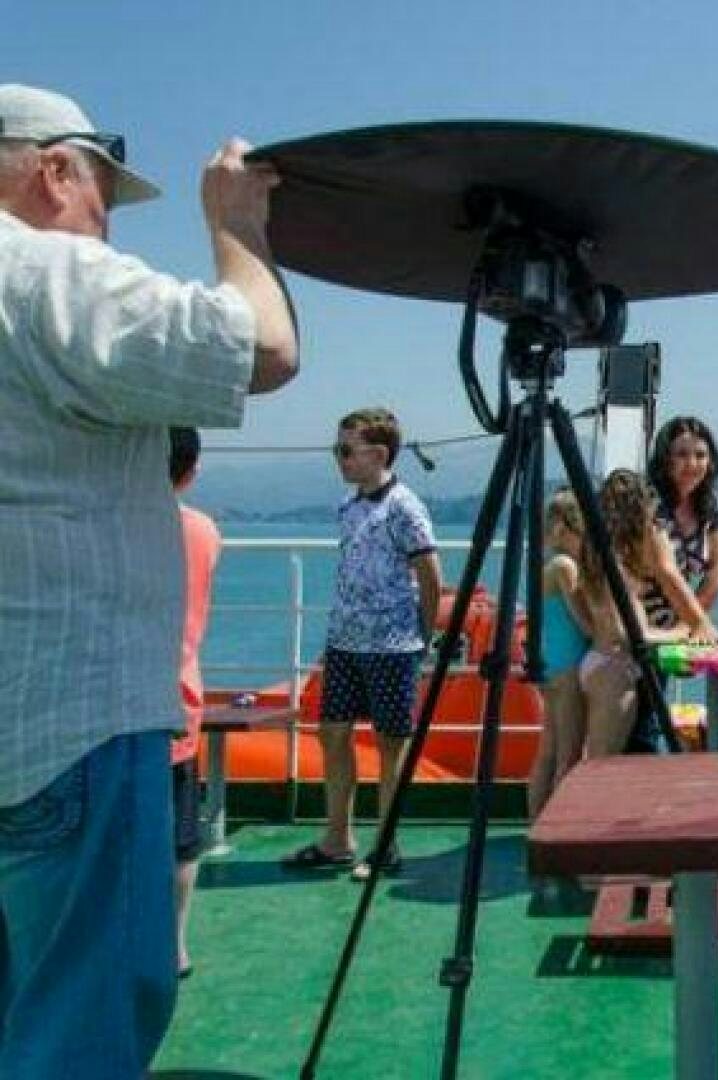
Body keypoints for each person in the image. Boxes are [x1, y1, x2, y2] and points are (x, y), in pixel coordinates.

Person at [0, 85, 298, 1078]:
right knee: (80, 1023)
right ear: (55, 170)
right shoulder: (43, 274)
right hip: (69, 727)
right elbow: (262, 348)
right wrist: (237, 227)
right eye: (102, 197)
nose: (102, 223)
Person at [283, 409, 442, 881]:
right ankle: (337, 838)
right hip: (346, 643)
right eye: (338, 449)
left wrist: (424, 635)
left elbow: (430, 576)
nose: (340, 459)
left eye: (346, 450)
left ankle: (385, 845)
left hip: (393, 646)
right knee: (334, 733)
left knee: (391, 744)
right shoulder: (348, 508)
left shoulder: (405, 507)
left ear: (378, 453)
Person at [579, 469, 712, 757]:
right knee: (603, 767)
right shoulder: (616, 569)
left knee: (605, 761)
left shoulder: (600, 556)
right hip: (614, 669)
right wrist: (680, 632)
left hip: (603, 662)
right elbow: (625, 633)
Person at [168, 427, 221, 980]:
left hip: (113, 712)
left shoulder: (117, 522)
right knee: (181, 840)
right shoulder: (204, 530)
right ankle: (175, 944)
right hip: (179, 703)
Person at [526, 490, 592, 819]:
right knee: (569, 753)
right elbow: (583, 621)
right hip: (568, 666)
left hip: (550, 663)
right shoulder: (566, 566)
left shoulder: (546, 564)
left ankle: (536, 821)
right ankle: (559, 826)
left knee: (548, 750)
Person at [643, 416, 718, 623]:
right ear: (666, 460)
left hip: (679, 623)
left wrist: (689, 625)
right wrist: (698, 624)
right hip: (635, 623)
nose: (692, 464)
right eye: (682, 455)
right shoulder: (648, 502)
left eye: (700, 455)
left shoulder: (711, 504)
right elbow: (666, 570)